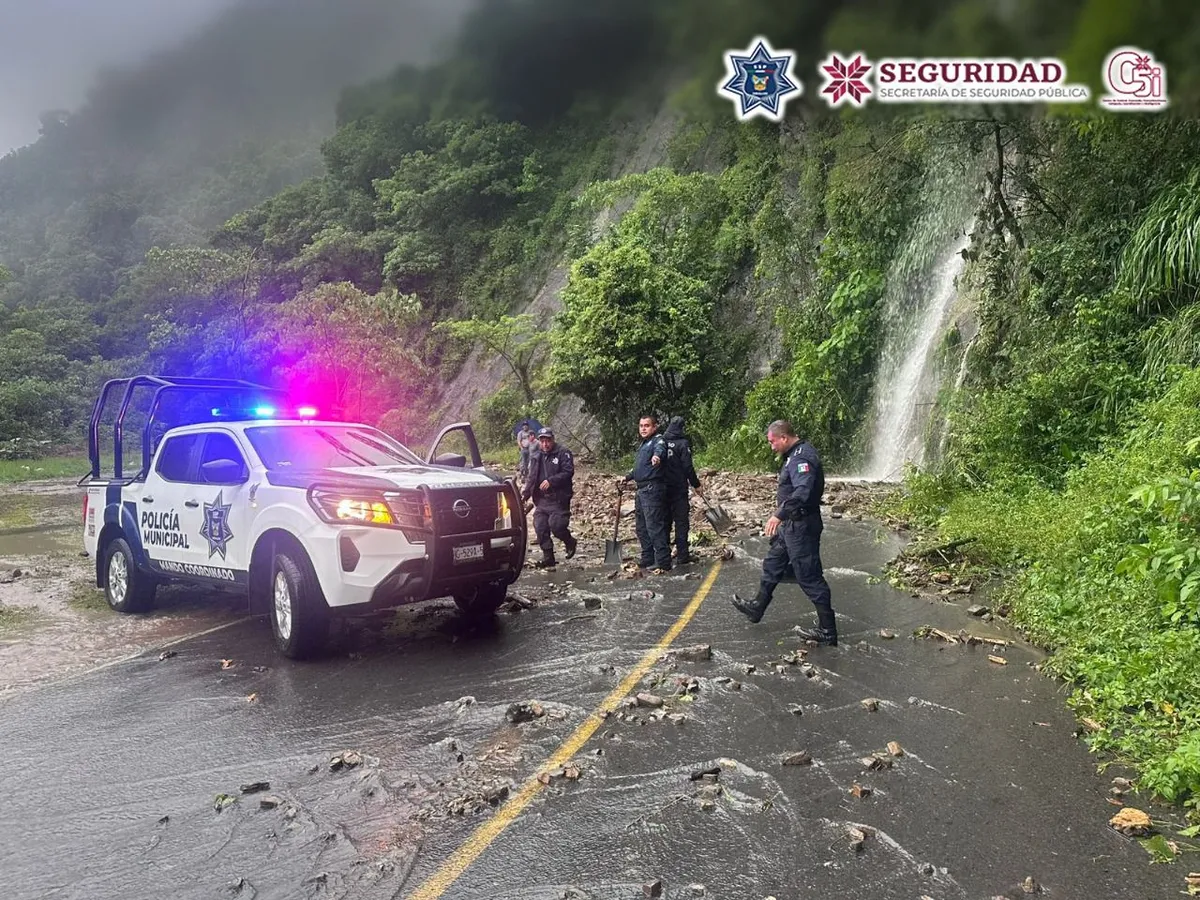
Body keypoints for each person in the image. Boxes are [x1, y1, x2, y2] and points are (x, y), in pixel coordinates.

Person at [730, 419, 837, 645]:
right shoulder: (793, 454)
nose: (771, 447)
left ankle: (828, 630)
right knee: (773, 563)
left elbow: (803, 491)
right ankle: (757, 607)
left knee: (810, 576)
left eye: (772, 442)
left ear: (784, 438)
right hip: (790, 526)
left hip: (802, 525)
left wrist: (778, 514)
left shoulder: (801, 457)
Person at [618, 414, 670, 573]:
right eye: (641, 426)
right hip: (641, 490)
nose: (643, 429)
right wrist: (626, 477)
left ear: (654, 427)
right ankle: (647, 557)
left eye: (647, 426)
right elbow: (639, 468)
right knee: (641, 527)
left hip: (652, 489)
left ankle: (663, 561)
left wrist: (657, 457)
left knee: (654, 526)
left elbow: (660, 450)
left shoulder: (658, 440)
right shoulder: (644, 444)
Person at [521, 427, 577, 568]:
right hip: (542, 500)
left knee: (557, 526)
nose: (545, 444)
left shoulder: (563, 453)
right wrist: (524, 496)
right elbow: (532, 478)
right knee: (540, 526)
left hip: (558, 499)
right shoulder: (536, 456)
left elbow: (568, 472)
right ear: (539, 441)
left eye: (548, 441)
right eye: (543, 441)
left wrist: (552, 481)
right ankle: (548, 557)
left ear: (553, 440)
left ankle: (569, 541)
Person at [662, 415, 702, 565]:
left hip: (663, 489)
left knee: (665, 521)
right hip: (678, 489)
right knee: (681, 522)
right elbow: (687, 467)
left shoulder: (661, 441)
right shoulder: (682, 444)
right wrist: (696, 484)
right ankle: (683, 556)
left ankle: (663, 555)